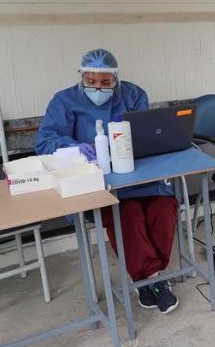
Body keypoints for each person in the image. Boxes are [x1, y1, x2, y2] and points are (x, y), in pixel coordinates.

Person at [35, 49, 179, 314]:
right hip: (98, 185)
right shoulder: (64, 101)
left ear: (116, 79)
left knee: (164, 205)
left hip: (137, 177)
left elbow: (146, 133)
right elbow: (44, 142)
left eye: (105, 82)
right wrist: (75, 147)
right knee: (128, 212)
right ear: (82, 77)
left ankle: (148, 278)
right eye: (91, 81)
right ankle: (153, 279)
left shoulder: (134, 95)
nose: (97, 88)